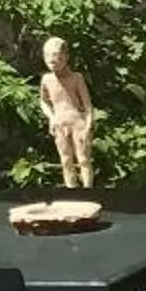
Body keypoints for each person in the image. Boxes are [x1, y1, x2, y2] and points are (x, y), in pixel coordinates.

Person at [39, 36, 95, 188]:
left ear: (65, 57)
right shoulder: (46, 79)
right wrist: (51, 117)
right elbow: (43, 101)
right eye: (48, 56)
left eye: (56, 56)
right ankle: (71, 192)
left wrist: (89, 125)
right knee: (66, 160)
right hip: (60, 124)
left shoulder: (76, 78)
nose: (53, 60)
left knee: (83, 159)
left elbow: (88, 105)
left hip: (78, 123)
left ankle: (88, 191)